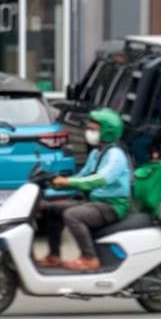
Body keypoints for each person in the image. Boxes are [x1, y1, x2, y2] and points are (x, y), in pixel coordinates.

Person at [43, 108, 131, 270]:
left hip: (111, 205)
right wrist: (51, 186)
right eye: (89, 128)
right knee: (51, 209)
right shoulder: (96, 153)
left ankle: (89, 258)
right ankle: (54, 256)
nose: (88, 132)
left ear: (107, 131)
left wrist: (67, 181)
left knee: (72, 215)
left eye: (93, 129)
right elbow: (82, 177)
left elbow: (99, 179)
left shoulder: (115, 155)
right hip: (94, 202)